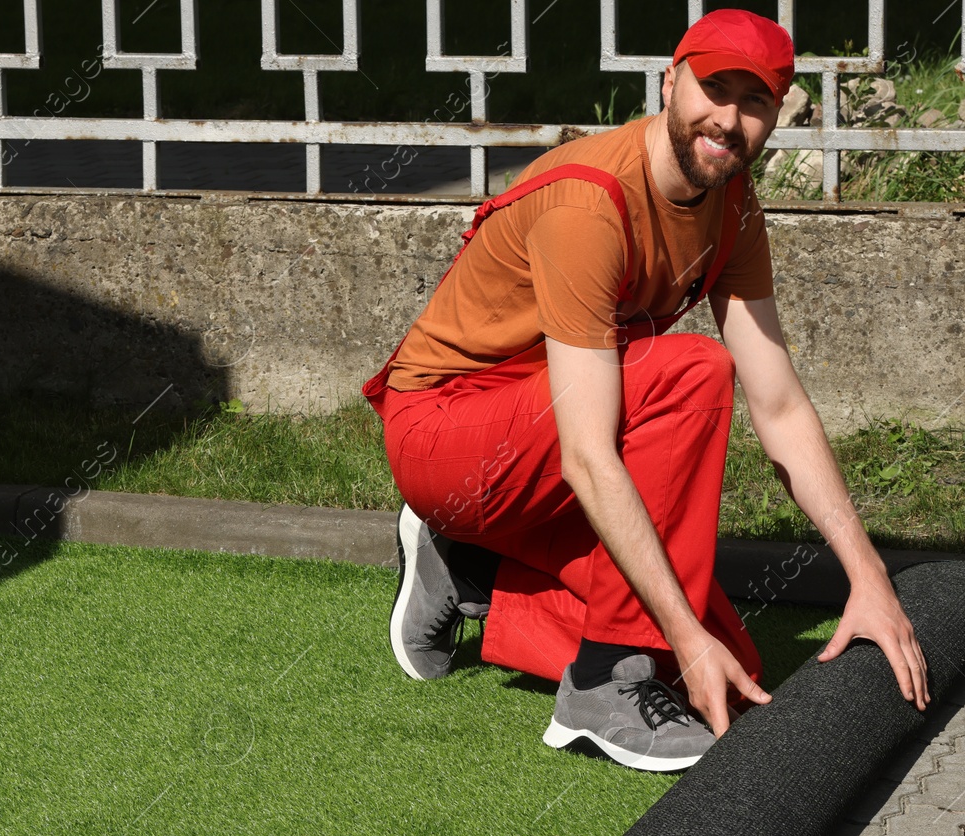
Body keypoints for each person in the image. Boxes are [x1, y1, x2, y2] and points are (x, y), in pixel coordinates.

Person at [361, 9, 930, 772]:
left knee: (732, 661)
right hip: (447, 432)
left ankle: (473, 566)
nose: (727, 120)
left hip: (544, 425)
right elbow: (592, 455)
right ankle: (600, 683)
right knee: (692, 373)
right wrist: (676, 639)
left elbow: (782, 405)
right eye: (713, 89)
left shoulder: (733, 204)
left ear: (776, 118)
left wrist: (868, 578)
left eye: (753, 102)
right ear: (669, 81)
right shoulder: (589, 201)